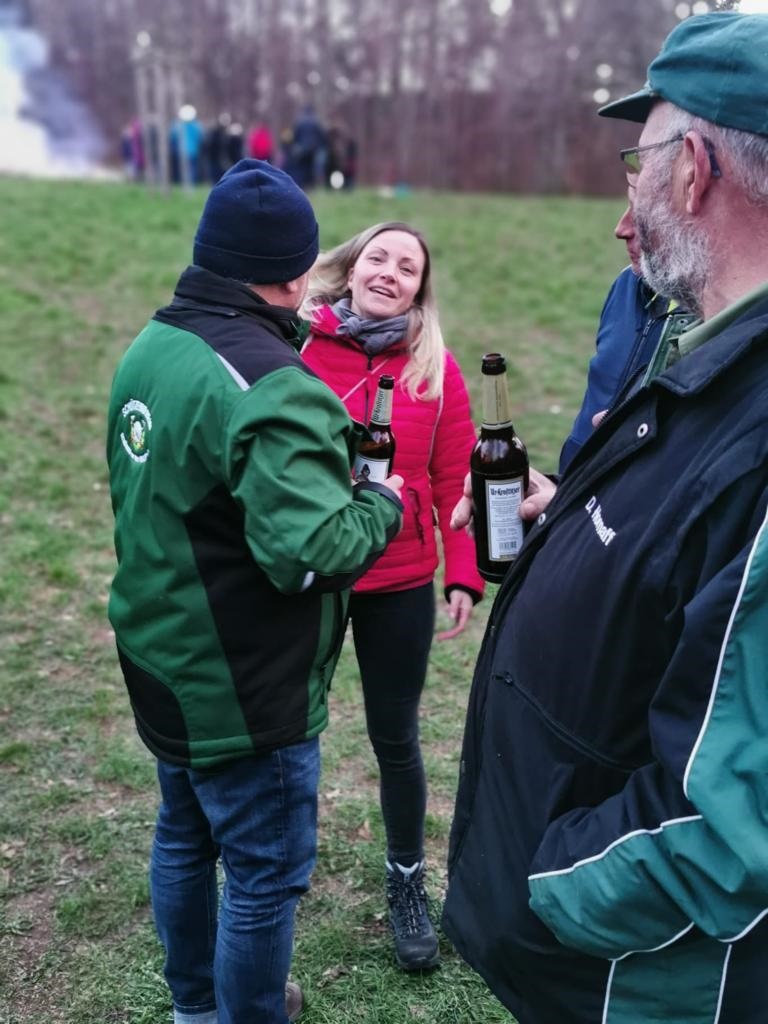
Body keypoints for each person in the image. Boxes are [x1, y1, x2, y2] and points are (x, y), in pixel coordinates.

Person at [443, 12, 768, 1023]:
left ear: (693, 172)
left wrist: (543, 892)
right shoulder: (705, 351)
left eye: (641, 162)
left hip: (628, 982)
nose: (626, 204)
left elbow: (730, 830)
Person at [106, 160, 404, 1024]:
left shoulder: (152, 343)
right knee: (263, 876)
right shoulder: (275, 389)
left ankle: (197, 1008)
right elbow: (311, 556)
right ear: (297, 272)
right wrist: (381, 503)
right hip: (240, 680)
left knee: (183, 834)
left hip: (158, 646)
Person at [301, 221, 484, 970]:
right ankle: (274, 867)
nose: (390, 273)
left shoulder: (435, 369)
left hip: (399, 579)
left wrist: (463, 571)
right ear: (351, 269)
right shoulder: (296, 347)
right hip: (309, 575)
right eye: (378, 257)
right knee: (286, 728)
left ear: (419, 290)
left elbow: (455, 479)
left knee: (396, 739)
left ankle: (407, 879)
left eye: (407, 268)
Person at [558, 190, 696, 473]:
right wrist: (560, 485)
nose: (621, 229)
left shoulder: (724, 320)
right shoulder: (626, 285)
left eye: (643, 210)